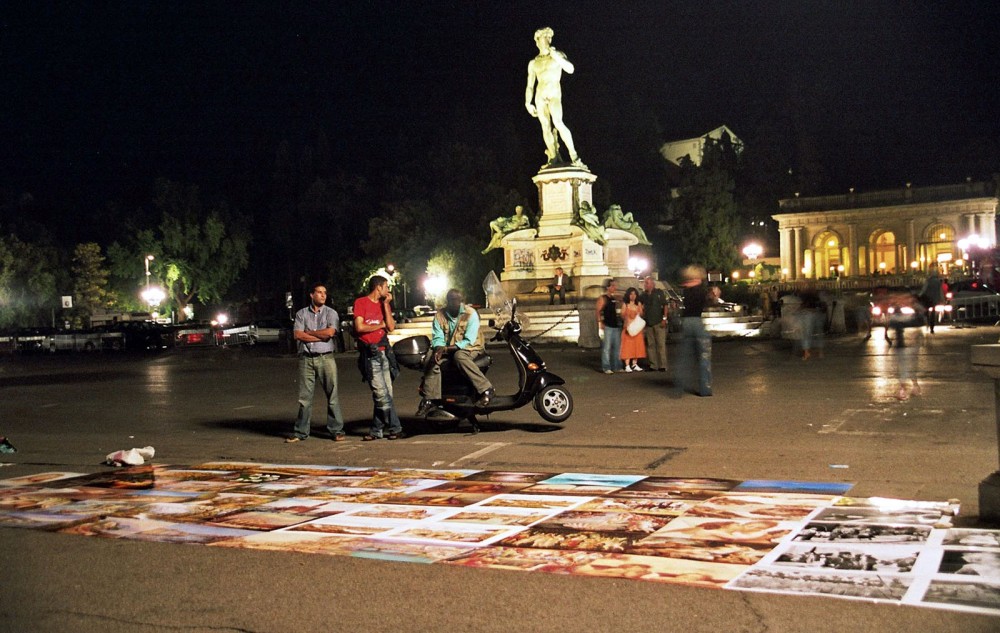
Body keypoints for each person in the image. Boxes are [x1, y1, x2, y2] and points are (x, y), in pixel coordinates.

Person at [285, 283, 346, 443]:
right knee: (305, 398)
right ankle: (301, 432)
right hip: (306, 358)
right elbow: (298, 335)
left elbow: (330, 333)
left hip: (326, 357)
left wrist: (310, 333)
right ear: (312, 295)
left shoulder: (331, 313)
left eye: (325, 292)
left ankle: (336, 430)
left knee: (332, 395)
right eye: (319, 292)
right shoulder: (301, 314)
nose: (323, 295)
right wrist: (320, 335)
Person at [417, 289, 494, 413]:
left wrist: (445, 349)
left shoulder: (470, 314)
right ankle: (430, 399)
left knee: (460, 356)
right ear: (447, 301)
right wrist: (438, 348)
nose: (454, 303)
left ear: (461, 301)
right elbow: (437, 337)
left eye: (457, 301)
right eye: (451, 300)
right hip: (447, 347)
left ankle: (486, 388)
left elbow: (468, 340)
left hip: (471, 347)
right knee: (430, 358)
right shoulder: (440, 315)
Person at [353, 275, 404, 441]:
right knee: (381, 394)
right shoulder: (361, 303)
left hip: (384, 353)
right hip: (370, 354)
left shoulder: (384, 305)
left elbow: (390, 326)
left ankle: (376, 430)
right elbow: (359, 327)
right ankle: (395, 427)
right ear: (378, 288)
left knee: (387, 393)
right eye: (386, 287)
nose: (388, 290)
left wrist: (386, 305)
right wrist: (379, 325)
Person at [525, 27, 583, 168]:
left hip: (554, 94)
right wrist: (528, 102)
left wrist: (556, 55)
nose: (548, 40)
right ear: (537, 41)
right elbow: (530, 85)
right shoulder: (533, 63)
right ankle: (553, 156)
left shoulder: (557, 55)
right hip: (540, 96)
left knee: (558, 122)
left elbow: (570, 69)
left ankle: (574, 156)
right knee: (545, 127)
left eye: (549, 37)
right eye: (545, 37)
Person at [674, 265, 712, 397]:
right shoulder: (700, 291)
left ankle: (679, 387)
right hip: (696, 321)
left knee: (685, 356)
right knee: (704, 356)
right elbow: (706, 302)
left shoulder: (686, 290)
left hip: (686, 322)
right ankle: (705, 388)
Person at [639, 276, 668, 372]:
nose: (645, 285)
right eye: (645, 283)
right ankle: (653, 365)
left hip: (659, 322)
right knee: (650, 345)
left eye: (647, 283)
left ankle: (662, 365)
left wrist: (664, 318)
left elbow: (665, 306)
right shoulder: (643, 295)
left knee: (661, 344)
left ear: (652, 284)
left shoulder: (659, 293)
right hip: (648, 322)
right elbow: (640, 306)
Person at [596, 278, 623, 374]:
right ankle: (606, 367)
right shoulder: (603, 298)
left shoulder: (613, 298)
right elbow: (598, 311)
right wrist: (600, 323)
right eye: (612, 286)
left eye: (615, 285)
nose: (615, 287)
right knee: (606, 348)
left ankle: (617, 366)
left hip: (615, 325)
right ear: (608, 287)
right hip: (607, 325)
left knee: (617, 347)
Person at [619, 287, 646, 372]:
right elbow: (622, 315)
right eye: (631, 294)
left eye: (634, 294)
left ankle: (634, 364)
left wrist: (640, 309)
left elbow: (641, 314)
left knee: (637, 346)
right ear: (628, 295)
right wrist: (627, 319)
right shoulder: (625, 304)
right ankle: (627, 365)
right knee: (627, 346)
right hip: (628, 328)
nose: (633, 296)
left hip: (636, 328)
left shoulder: (638, 304)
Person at [919, 268, 946, 333]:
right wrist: (943, 300)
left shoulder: (928, 281)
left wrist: (919, 295)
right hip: (935, 299)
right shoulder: (938, 282)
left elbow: (924, 289)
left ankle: (927, 321)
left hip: (928, 298)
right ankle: (932, 327)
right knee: (933, 313)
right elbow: (940, 291)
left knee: (926, 310)